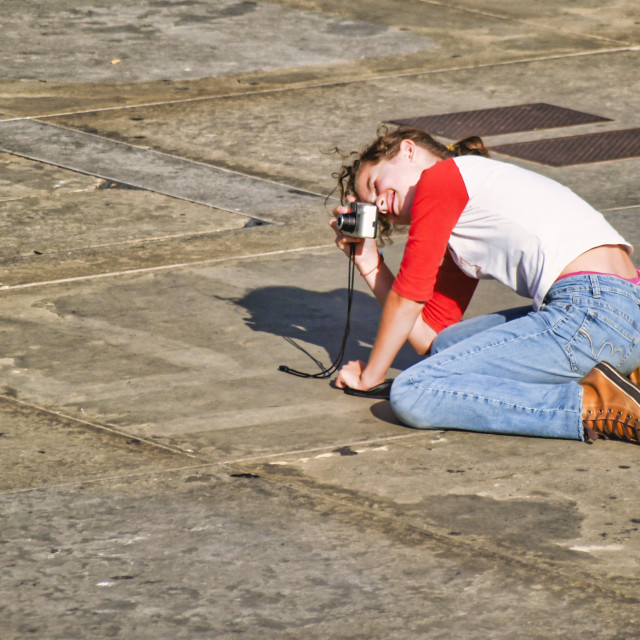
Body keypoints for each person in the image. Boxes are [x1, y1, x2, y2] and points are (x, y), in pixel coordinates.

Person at [330, 126, 640, 445]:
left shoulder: (438, 180)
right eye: (374, 209)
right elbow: (430, 339)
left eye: (375, 184)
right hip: (623, 315)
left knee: (412, 392)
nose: (380, 206)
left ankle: (592, 405)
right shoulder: (468, 193)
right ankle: (626, 374)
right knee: (447, 349)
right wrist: (368, 261)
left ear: (407, 150)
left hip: (593, 315)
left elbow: (408, 298)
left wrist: (371, 377)